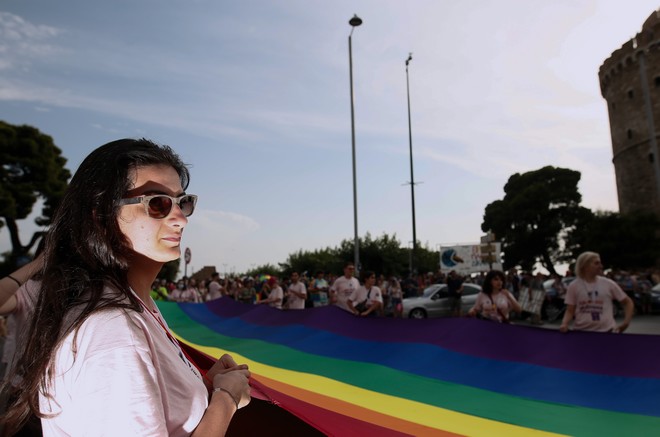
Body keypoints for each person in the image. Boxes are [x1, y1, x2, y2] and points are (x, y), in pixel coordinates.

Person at [2, 139, 251, 436]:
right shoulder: (112, 330)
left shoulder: (131, 302)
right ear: (102, 216)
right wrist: (226, 399)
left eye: (183, 202)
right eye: (157, 203)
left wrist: (204, 386)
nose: (181, 219)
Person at [560, 251, 634, 333]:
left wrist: (626, 323)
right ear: (585, 266)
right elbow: (570, 310)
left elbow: (627, 302)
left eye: (600, 263)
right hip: (581, 333)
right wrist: (564, 323)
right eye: (596, 263)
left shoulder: (608, 284)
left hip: (607, 332)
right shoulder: (574, 286)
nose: (601, 266)